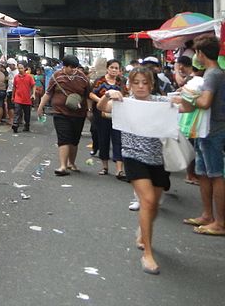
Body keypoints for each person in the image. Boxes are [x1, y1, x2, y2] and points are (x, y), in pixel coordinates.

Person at [96, 67, 169, 274]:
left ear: (151, 84)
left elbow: (188, 108)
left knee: (153, 205)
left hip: (157, 159)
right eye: (136, 82)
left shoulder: (160, 102)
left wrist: (185, 99)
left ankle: (142, 232)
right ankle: (147, 253)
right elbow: (103, 109)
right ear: (129, 84)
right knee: (147, 201)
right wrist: (108, 94)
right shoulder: (123, 101)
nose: (140, 87)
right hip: (133, 157)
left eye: (145, 82)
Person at [175, 35, 225, 237]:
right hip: (206, 129)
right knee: (203, 172)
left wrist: (186, 96)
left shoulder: (213, 75)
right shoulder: (213, 73)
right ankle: (207, 215)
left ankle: (220, 222)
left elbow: (204, 102)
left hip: (213, 129)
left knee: (215, 174)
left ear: (200, 54)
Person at [37, 55, 90, 176]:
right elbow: (48, 93)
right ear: (64, 66)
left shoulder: (83, 78)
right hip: (60, 112)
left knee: (74, 140)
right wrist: (41, 107)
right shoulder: (57, 76)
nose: (74, 70)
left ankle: (71, 163)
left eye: (75, 68)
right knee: (63, 138)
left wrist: (89, 110)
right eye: (71, 67)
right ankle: (63, 166)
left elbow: (88, 95)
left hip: (78, 114)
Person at [89, 59, 126, 179]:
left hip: (118, 115)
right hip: (101, 115)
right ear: (107, 68)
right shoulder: (100, 81)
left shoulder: (121, 82)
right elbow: (91, 94)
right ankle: (104, 167)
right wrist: (101, 101)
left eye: (117, 68)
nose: (114, 70)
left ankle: (119, 170)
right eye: (112, 67)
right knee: (103, 139)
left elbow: (125, 95)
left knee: (118, 140)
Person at [11, 63, 35, 134]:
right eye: (19, 68)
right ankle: (15, 124)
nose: (20, 70)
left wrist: (33, 94)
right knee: (17, 112)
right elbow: (14, 87)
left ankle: (27, 125)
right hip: (18, 98)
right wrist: (13, 96)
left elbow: (33, 86)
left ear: (25, 68)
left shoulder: (29, 77)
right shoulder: (16, 77)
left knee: (27, 114)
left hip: (27, 99)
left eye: (21, 68)